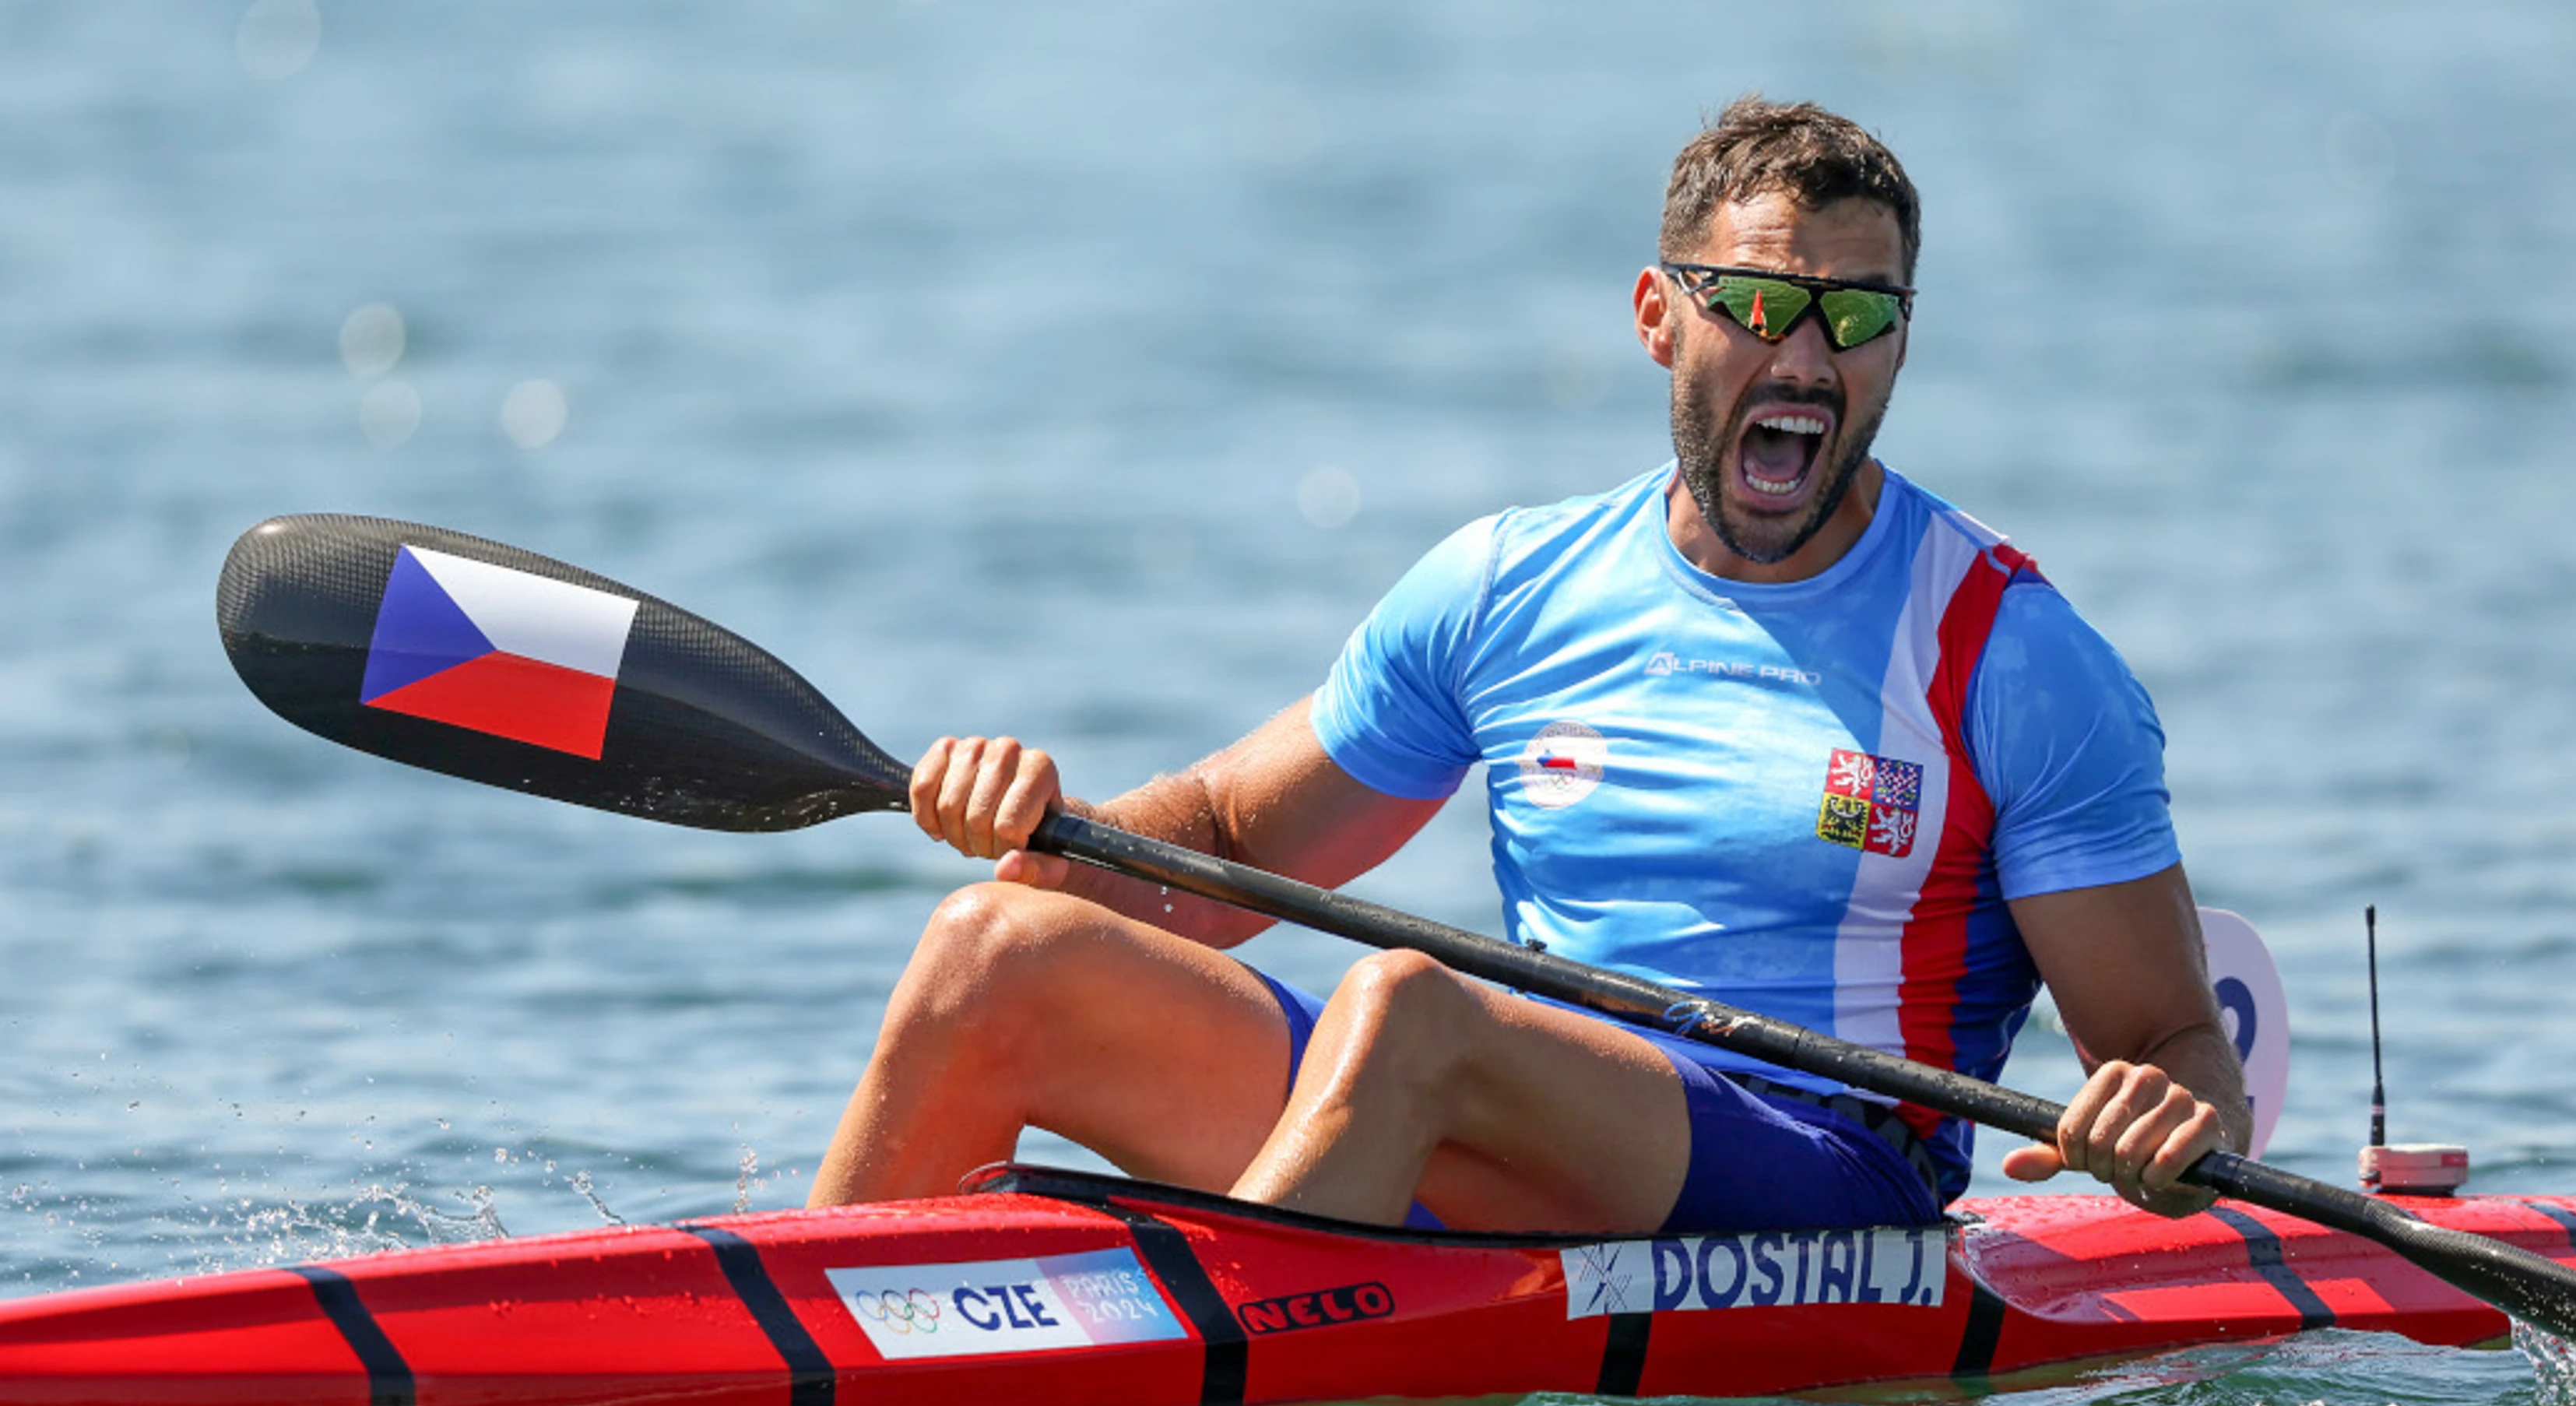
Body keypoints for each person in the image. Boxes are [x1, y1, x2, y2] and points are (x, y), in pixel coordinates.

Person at [808, 97, 2246, 1232]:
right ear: (1655, 315)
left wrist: (2174, 1117)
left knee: (1405, 1006)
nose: (1808, 357)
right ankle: (799, 1368)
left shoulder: (2012, 656)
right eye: (1758, 303)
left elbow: (2176, 1040)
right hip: (1493, 1113)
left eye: (1860, 318)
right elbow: (1233, 840)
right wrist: (1036, 832)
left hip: (1827, 1173)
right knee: (993, 953)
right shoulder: (1511, 585)